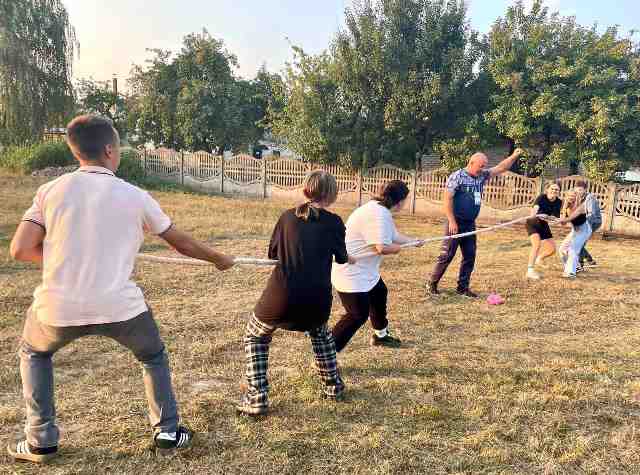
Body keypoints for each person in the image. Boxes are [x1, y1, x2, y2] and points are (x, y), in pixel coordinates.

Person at [8, 115, 236, 463]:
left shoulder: (49, 191)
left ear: (76, 151)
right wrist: (218, 258)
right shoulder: (135, 195)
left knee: (35, 353)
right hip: (120, 307)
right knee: (152, 356)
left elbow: (20, 249)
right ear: (109, 150)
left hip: (57, 308)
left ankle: (41, 441)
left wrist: (67, 261)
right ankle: (168, 432)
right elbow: (181, 243)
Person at [237, 170, 353, 416]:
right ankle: (333, 387)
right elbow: (342, 258)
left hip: (280, 300)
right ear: (332, 195)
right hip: (317, 302)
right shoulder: (334, 222)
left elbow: (273, 254)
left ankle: (257, 398)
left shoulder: (287, 217)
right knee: (321, 336)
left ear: (305, 190)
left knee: (255, 337)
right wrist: (345, 256)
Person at [331, 180, 424, 352]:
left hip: (365, 271)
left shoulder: (378, 209)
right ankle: (325, 353)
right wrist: (397, 249)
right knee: (357, 314)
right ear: (400, 201)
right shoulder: (378, 214)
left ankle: (380, 336)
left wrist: (413, 241)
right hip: (351, 272)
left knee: (379, 292)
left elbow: (393, 235)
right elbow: (381, 248)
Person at [427, 148, 524, 297]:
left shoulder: (482, 176)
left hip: (470, 223)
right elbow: (447, 199)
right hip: (455, 222)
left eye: (484, 166)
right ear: (471, 163)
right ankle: (432, 284)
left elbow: (501, 168)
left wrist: (514, 155)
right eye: (480, 166)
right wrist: (452, 221)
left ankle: (462, 288)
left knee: (469, 256)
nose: (482, 169)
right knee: (447, 255)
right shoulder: (457, 176)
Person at [525, 181, 563, 279]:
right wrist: (535, 214)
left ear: (559, 191)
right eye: (552, 189)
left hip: (544, 225)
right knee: (536, 245)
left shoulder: (559, 202)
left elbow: (554, 217)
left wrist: (548, 217)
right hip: (533, 223)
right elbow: (535, 208)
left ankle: (540, 258)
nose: (554, 191)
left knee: (552, 249)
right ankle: (530, 270)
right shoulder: (542, 197)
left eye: (556, 189)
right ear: (547, 189)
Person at [557, 183, 592, 278]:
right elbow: (563, 223)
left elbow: (569, 218)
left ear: (576, 197)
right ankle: (576, 267)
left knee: (573, 249)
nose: (571, 197)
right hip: (575, 230)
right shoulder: (566, 206)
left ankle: (570, 272)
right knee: (562, 249)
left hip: (584, 230)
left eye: (573, 196)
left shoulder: (582, 206)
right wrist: (564, 208)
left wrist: (561, 219)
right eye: (569, 196)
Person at [574, 182, 602, 270]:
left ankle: (580, 263)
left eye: (580, 190)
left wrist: (584, 226)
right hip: (586, 221)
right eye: (577, 190)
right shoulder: (579, 197)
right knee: (579, 242)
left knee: (580, 242)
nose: (578, 192)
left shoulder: (590, 198)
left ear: (585, 190)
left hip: (594, 222)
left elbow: (591, 214)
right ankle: (590, 261)